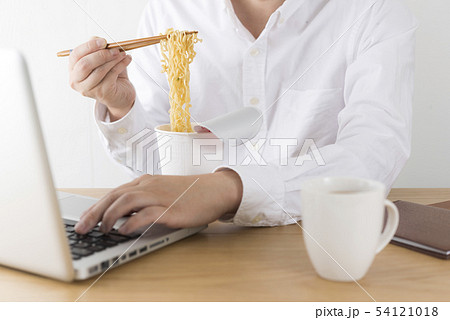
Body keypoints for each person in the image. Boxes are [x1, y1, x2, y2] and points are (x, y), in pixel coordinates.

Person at [71, 0, 417, 235]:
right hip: (199, 245)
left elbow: (374, 152)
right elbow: (157, 173)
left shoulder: (374, 10)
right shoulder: (171, 8)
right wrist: (122, 108)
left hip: (318, 240)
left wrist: (228, 188)